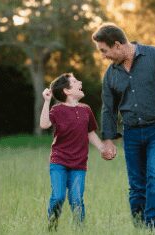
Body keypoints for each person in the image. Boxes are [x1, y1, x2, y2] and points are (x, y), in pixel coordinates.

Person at [92, 23, 155, 230]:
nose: (103, 56)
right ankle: (139, 227)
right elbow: (109, 108)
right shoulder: (111, 74)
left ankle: (152, 226)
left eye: (104, 51)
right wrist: (108, 139)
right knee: (136, 186)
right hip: (131, 134)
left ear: (117, 45)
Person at [39, 73, 105, 231]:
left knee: (76, 199)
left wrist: (102, 148)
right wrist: (47, 101)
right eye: (75, 81)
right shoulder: (57, 110)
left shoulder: (86, 110)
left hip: (79, 164)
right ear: (67, 91)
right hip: (59, 162)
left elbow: (90, 133)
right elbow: (44, 124)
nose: (80, 82)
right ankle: (52, 227)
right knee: (58, 196)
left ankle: (80, 229)